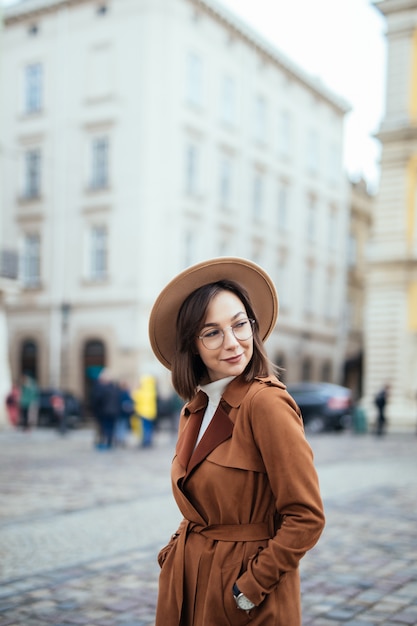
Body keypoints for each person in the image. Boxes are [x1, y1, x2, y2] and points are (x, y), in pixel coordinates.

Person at [148, 257, 325, 626]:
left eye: (240, 324)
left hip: (244, 601)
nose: (233, 343)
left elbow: (306, 517)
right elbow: (200, 502)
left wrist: (250, 587)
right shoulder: (195, 408)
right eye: (212, 332)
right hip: (188, 587)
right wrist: (173, 551)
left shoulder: (267, 404)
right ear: (192, 345)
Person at [132, 375, 158, 447]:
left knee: (144, 427)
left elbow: (134, 397)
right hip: (151, 413)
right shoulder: (152, 391)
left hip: (143, 412)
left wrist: (135, 389)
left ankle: (145, 442)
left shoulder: (141, 392)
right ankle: (149, 441)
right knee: (149, 427)